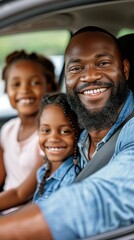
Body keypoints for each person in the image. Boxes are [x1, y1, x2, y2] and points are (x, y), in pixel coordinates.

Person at [0, 26, 134, 240]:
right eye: (76, 68)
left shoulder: (131, 130)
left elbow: (106, 196)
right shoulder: (74, 131)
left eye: (103, 63)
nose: (89, 76)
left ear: (125, 70)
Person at [0, 92, 84, 211]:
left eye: (65, 131)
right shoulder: (44, 170)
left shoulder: (70, 178)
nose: (53, 138)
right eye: (46, 130)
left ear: (79, 133)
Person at [0, 50, 57, 213]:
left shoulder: (48, 136)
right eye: (16, 84)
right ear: (6, 90)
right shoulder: (8, 129)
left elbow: (22, 194)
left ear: (50, 86)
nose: (24, 90)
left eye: (35, 83)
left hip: (27, 214)